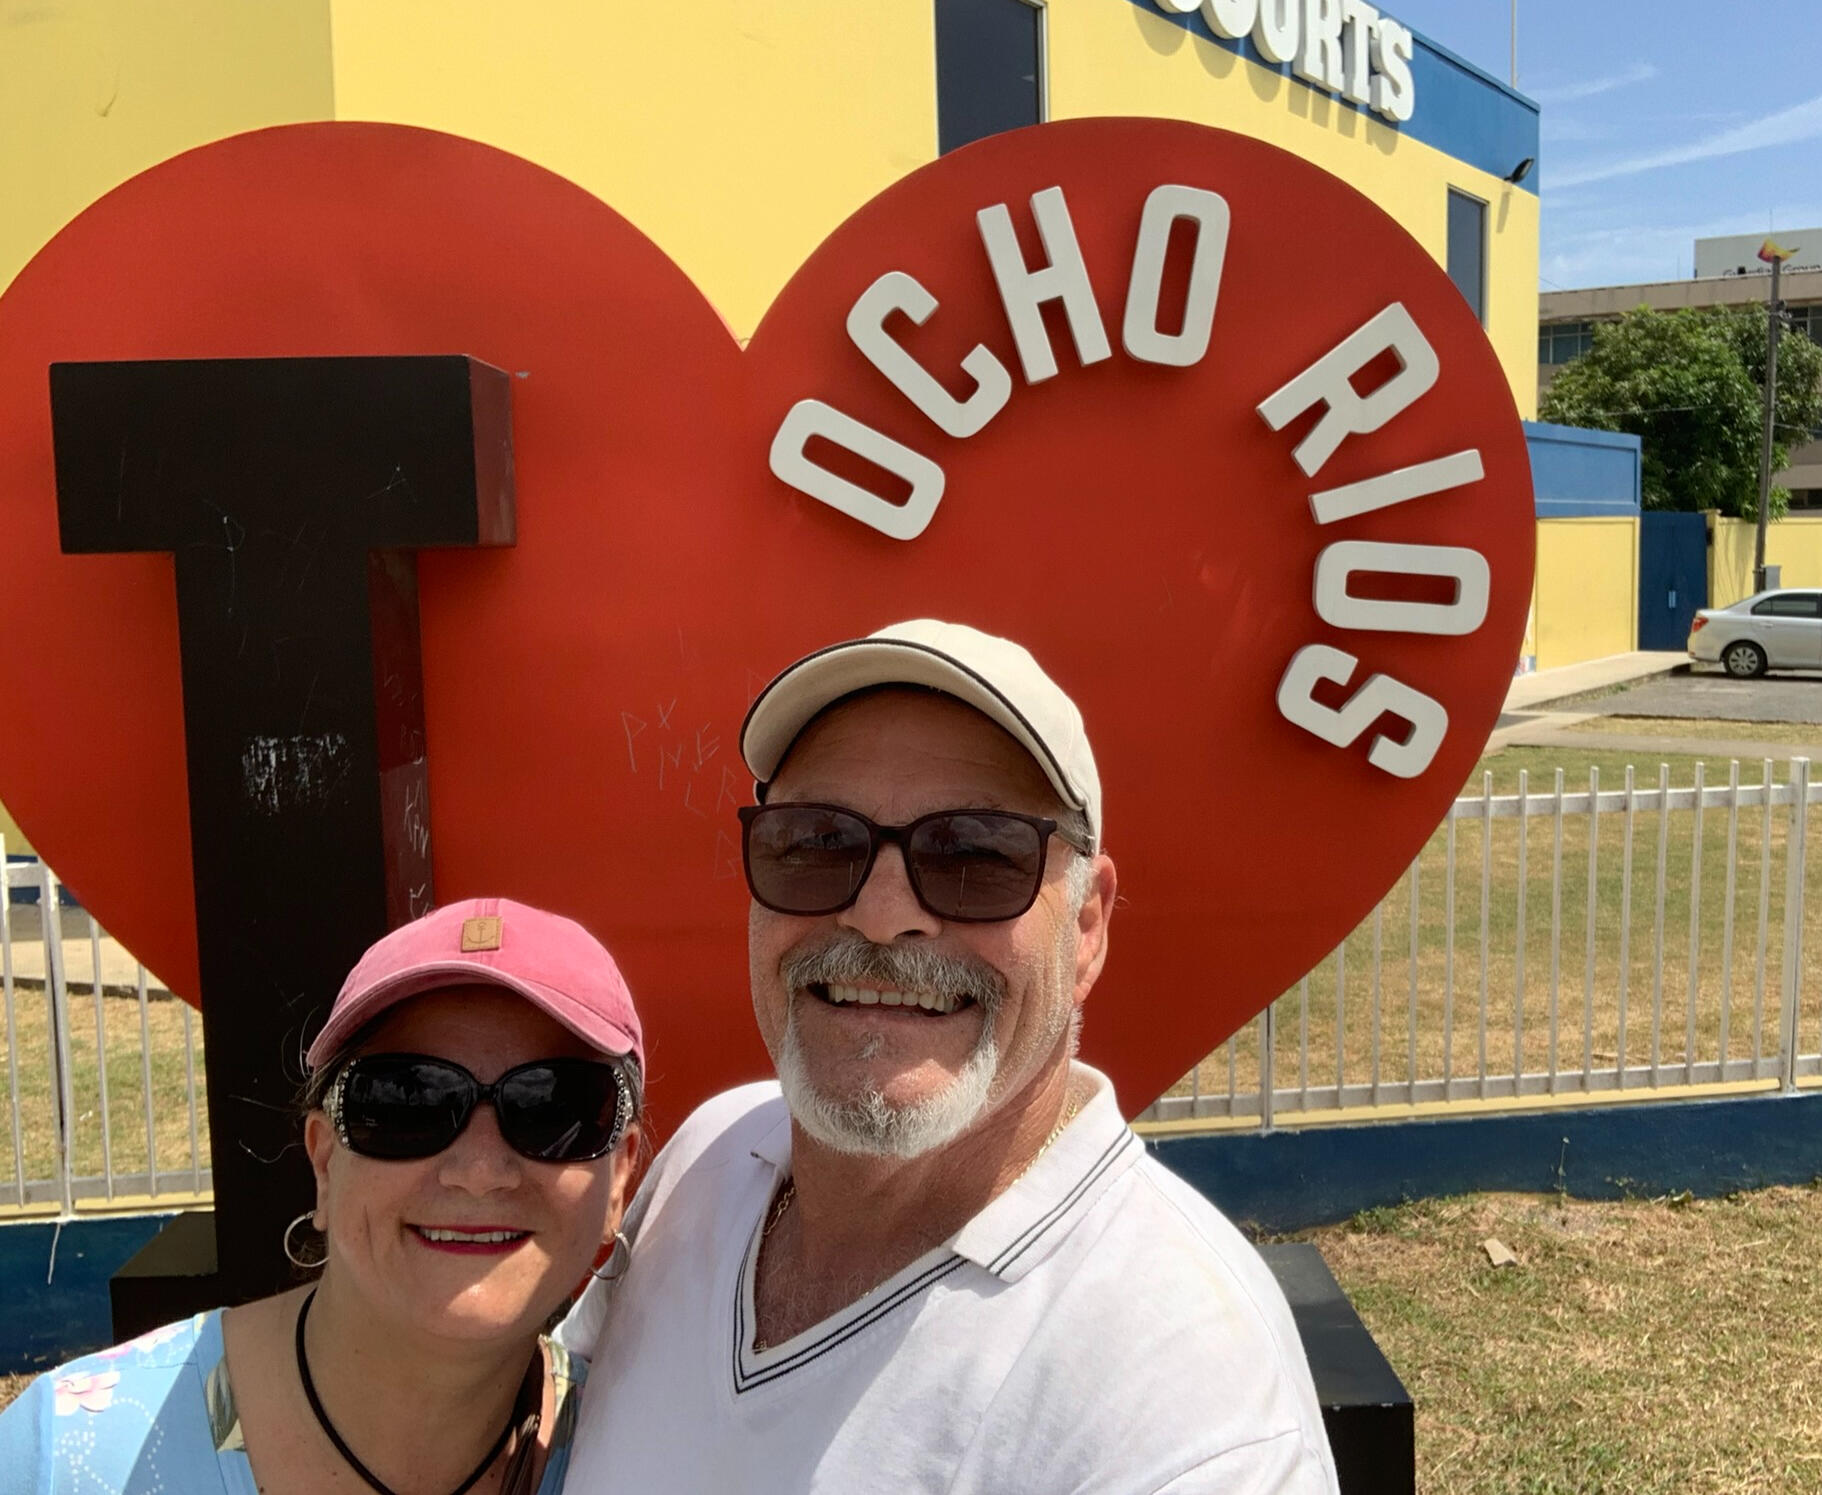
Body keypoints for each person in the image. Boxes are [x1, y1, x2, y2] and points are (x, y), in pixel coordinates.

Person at [558, 619, 1340, 1493]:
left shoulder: (1186, 1405)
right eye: (817, 841)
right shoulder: (707, 1159)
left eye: (975, 854)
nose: (881, 913)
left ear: (1086, 927)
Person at [0, 896, 644, 1495]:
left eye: (552, 1107)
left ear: (619, 1177)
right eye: (407, 1101)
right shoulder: (62, 1461)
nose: (479, 1170)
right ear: (325, 1162)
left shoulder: (648, 1449)